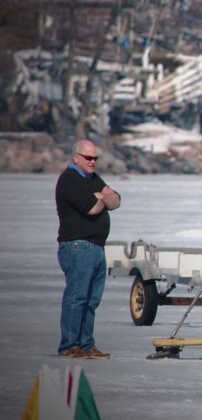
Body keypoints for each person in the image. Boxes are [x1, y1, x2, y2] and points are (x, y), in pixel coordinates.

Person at [55, 139, 121, 359]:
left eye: (95, 158)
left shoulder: (92, 179)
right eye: (88, 158)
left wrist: (104, 197)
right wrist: (103, 197)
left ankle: (86, 344)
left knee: (92, 299)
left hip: (95, 247)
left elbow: (115, 201)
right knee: (77, 297)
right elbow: (92, 208)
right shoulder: (70, 180)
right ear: (76, 158)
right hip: (77, 246)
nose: (93, 162)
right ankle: (69, 345)